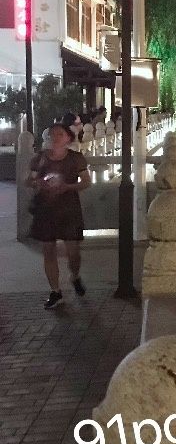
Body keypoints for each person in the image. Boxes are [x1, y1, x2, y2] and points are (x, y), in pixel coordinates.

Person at [27, 122, 92, 309]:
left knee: (73, 252)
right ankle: (55, 291)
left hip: (69, 210)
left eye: (60, 134)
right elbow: (28, 180)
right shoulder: (40, 158)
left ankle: (75, 276)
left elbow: (86, 182)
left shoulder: (76, 158)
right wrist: (38, 182)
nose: (55, 138)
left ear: (68, 138)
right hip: (46, 210)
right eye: (52, 134)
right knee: (48, 250)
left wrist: (67, 187)